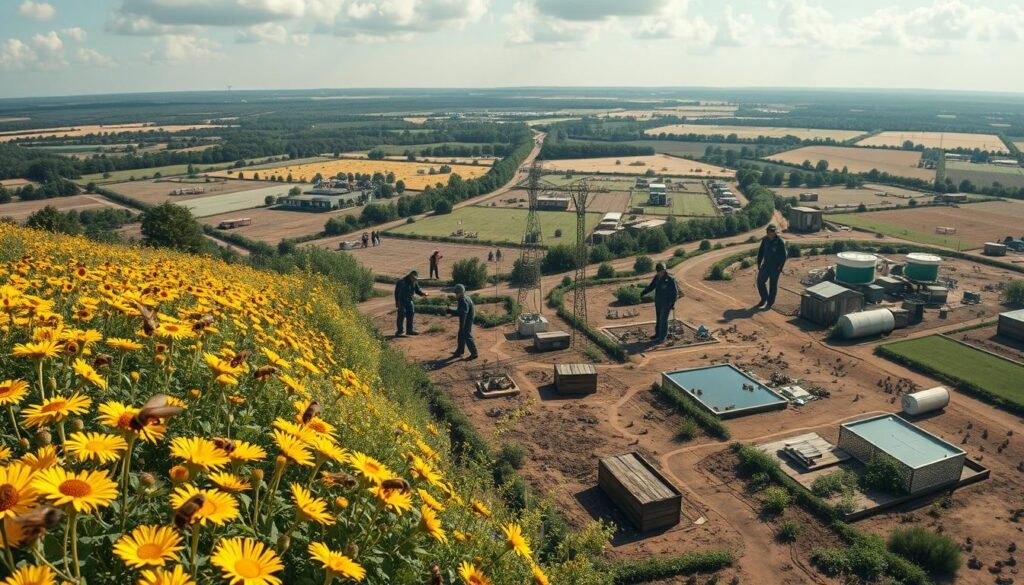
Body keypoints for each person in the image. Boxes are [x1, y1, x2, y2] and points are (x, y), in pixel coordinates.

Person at [641, 262, 679, 342]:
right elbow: (651, 286)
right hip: (658, 302)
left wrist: (672, 303)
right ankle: (657, 334)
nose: (662, 272)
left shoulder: (670, 279)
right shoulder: (657, 277)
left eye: (663, 270)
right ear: (657, 271)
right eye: (660, 271)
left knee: (663, 319)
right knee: (658, 318)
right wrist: (644, 292)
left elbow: (675, 293)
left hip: (666, 303)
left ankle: (662, 337)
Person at [756, 224, 788, 309]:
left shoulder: (780, 242)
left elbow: (784, 256)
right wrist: (759, 263)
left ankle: (770, 302)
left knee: (772, 285)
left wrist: (780, 267)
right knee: (760, 281)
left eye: (773, 231)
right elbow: (761, 251)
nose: (772, 233)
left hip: (775, 267)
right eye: (770, 231)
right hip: (766, 265)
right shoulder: (765, 240)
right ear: (767, 232)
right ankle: (764, 298)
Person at [447, 284, 478, 360]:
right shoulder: (465, 297)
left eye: (457, 293)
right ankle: (460, 351)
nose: (455, 294)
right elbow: (462, 311)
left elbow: (463, 312)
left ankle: (474, 353)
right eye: (455, 293)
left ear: (461, 292)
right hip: (467, 317)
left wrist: (451, 311)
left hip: (467, 318)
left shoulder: (463, 300)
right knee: (461, 333)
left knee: (467, 334)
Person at [394, 270, 428, 336]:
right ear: (410, 276)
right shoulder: (402, 282)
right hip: (402, 301)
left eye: (415, 279)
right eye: (413, 278)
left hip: (410, 301)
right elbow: (397, 293)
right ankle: (399, 331)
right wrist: (398, 302)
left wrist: (423, 294)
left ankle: (410, 330)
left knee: (410, 315)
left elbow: (417, 291)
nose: (415, 280)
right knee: (401, 316)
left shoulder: (414, 282)